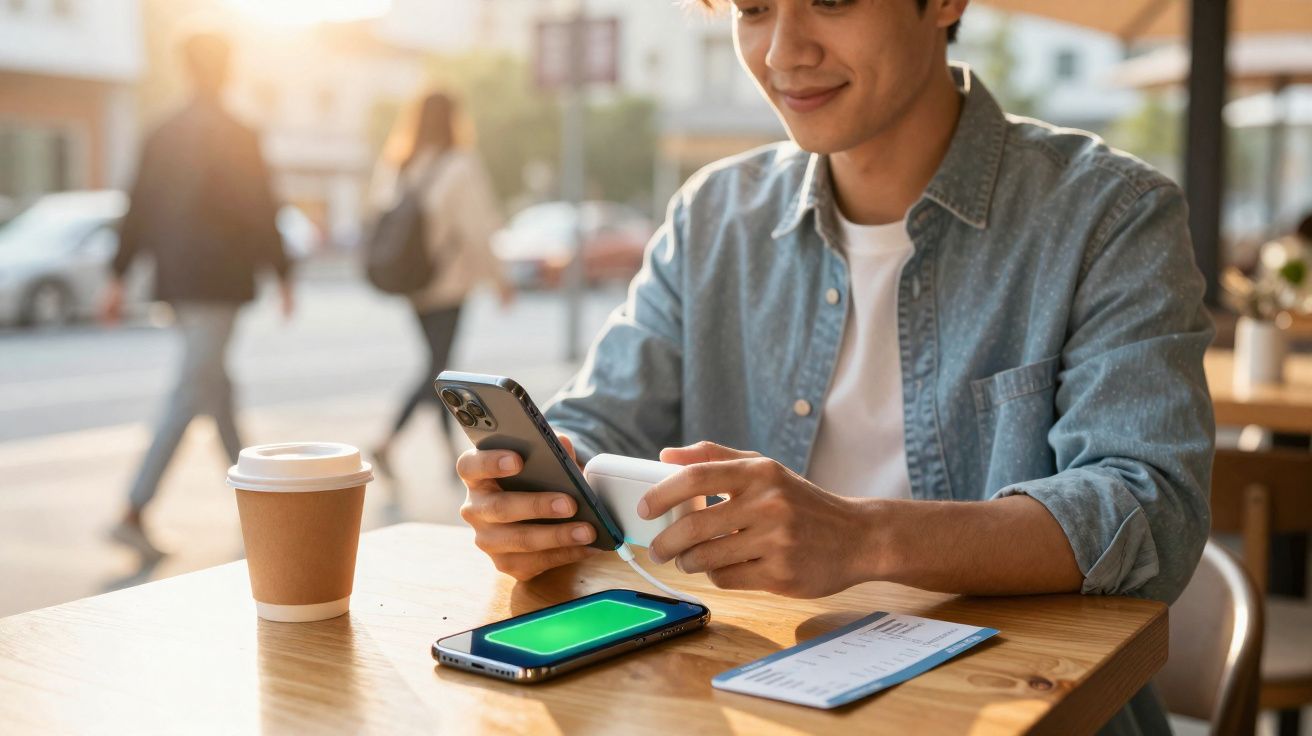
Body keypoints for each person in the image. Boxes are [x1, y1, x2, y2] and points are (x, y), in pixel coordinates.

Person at [456, 1, 1213, 732]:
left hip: (1018, 709)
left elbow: (1151, 510)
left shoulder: (1110, 213)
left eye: (832, 1)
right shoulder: (713, 216)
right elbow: (596, 423)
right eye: (753, 9)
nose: (784, 52)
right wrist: (535, 501)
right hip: (738, 700)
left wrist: (863, 537)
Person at [103, 31, 293, 559]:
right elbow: (262, 208)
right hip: (221, 283)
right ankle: (133, 510)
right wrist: (283, 273)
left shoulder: (161, 133)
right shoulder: (239, 133)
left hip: (178, 283)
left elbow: (137, 207)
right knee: (192, 390)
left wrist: (118, 275)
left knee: (216, 390)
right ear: (228, 69)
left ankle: (259, 505)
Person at [368, 92, 514, 477]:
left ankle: (447, 452)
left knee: (438, 364)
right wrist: (499, 279)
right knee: (438, 371)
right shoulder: (460, 165)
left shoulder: (400, 164)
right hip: (447, 285)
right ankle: (388, 440)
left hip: (413, 283)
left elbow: (379, 213)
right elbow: (477, 228)